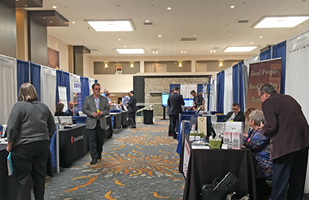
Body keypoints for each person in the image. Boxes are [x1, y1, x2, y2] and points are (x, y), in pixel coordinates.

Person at [259, 84, 309, 200]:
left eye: (260, 96)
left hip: (285, 146)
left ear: (265, 94)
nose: (260, 100)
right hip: (303, 142)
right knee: (297, 180)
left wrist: (262, 128)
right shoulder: (289, 98)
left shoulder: (268, 102)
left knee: (280, 181)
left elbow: (272, 126)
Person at [6, 83, 55, 200]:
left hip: (23, 146)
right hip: (42, 145)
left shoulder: (18, 106)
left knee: (23, 180)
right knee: (39, 177)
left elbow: (11, 127)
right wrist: (46, 138)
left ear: (21, 94)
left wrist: (9, 143)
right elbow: (52, 126)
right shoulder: (43, 106)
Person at [244, 110, 272, 200]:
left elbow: (252, 145)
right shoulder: (255, 131)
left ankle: (262, 193)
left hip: (265, 162)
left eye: (250, 120)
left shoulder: (261, 132)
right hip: (260, 158)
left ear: (253, 121)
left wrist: (244, 143)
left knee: (248, 166)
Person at [83, 83, 110, 164]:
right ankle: (93, 158)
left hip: (101, 122)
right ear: (93, 90)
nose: (98, 90)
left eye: (99, 89)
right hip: (91, 122)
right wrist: (91, 113)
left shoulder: (104, 99)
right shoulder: (87, 99)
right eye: (96, 89)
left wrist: (103, 112)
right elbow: (84, 109)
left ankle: (99, 153)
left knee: (100, 140)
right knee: (92, 142)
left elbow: (107, 110)